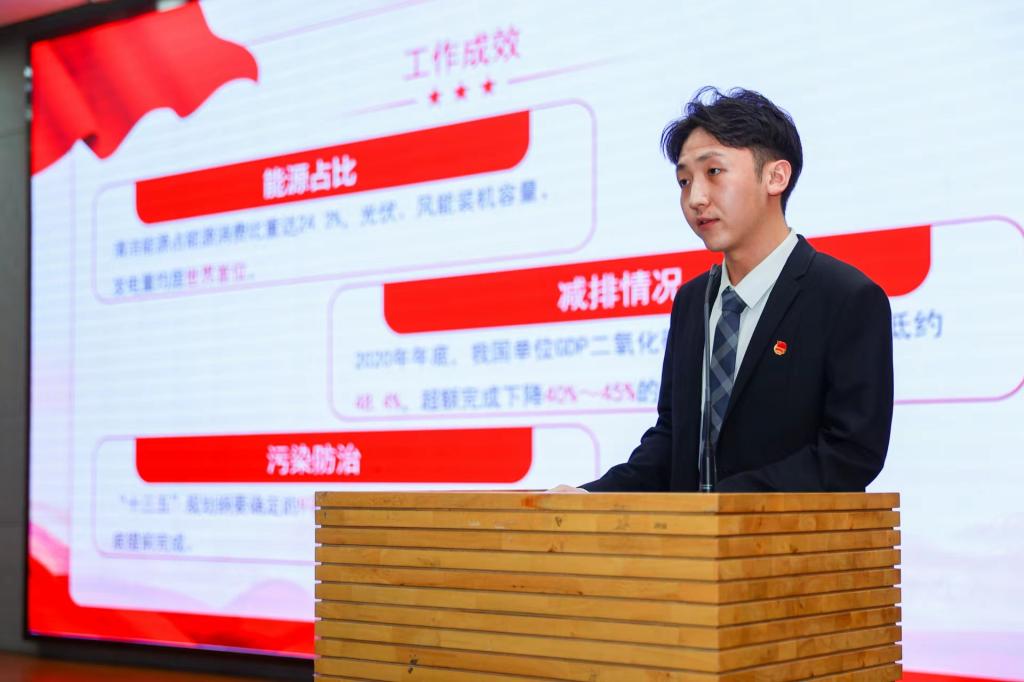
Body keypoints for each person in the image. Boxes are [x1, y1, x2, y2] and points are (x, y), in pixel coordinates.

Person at [552, 87, 893, 493]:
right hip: (692, 535)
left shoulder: (846, 298)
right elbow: (672, 440)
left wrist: (724, 505)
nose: (695, 198)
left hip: (787, 535)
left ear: (776, 177)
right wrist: (589, 497)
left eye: (713, 172)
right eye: (684, 181)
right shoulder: (692, 301)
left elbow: (850, 454)